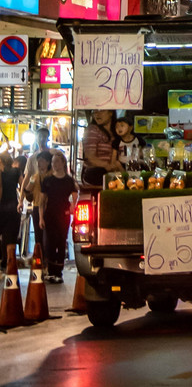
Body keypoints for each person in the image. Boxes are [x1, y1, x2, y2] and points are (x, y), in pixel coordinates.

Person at [40, 153, 76, 281]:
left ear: (63, 163)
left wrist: (73, 210)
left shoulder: (69, 181)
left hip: (63, 214)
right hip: (50, 214)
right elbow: (42, 201)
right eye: (53, 162)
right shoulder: (47, 180)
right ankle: (51, 271)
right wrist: (41, 217)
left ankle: (59, 272)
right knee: (50, 243)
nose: (54, 164)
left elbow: (75, 198)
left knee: (61, 242)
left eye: (57, 162)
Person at [20, 150, 51, 260]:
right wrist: (28, 187)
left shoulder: (52, 176)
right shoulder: (35, 176)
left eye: (41, 161)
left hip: (50, 208)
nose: (38, 164)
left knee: (48, 236)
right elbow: (28, 191)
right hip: (37, 206)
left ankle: (47, 259)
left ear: (48, 162)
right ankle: (41, 259)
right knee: (38, 236)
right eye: (38, 161)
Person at [81, 109, 119, 186]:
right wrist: (107, 165)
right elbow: (90, 157)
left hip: (113, 174)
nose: (97, 114)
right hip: (96, 175)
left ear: (111, 112)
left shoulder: (116, 131)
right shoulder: (92, 130)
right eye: (94, 111)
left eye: (101, 111)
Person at [0, 151, 19, 257]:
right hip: (13, 206)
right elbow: (23, 185)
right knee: (9, 238)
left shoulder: (0, 173)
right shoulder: (16, 171)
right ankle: (7, 260)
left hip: (2, 206)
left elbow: (0, 189)